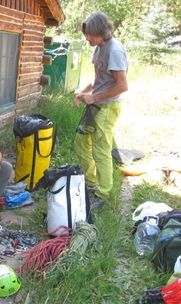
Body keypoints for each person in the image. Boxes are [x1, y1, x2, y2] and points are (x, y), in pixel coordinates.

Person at [74, 12, 128, 210]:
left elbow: (122, 85)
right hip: (95, 105)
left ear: (102, 32)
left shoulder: (114, 50)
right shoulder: (98, 48)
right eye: (87, 34)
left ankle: (103, 194)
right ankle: (91, 182)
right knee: (81, 144)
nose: (87, 38)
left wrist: (95, 97)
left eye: (91, 34)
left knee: (101, 151)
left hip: (108, 107)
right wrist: (85, 92)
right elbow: (99, 79)